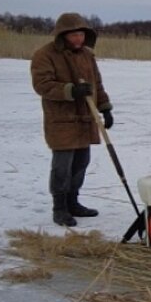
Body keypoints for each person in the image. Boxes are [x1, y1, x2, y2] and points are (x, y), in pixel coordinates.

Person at [31, 12, 114, 227]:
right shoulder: (45, 55)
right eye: (74, 35)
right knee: (62, 167)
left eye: (81, 34)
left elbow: (97, 83)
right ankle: (59, 208)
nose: (78, 39)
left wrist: (105, 108)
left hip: (86, 118)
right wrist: (71, 90)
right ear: (62, 35)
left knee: (81, 163)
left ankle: (73, 202)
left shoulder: (87, 54)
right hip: (62, 120)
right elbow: (43, 85)